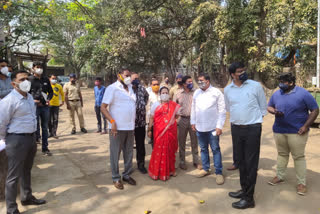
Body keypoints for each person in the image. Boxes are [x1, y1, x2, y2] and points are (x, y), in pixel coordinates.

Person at [0, 70, 46, 214]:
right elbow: (1, 123)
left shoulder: (30, 97)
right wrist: (5, 139)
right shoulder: (8, 101)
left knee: (27, 170)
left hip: (31, 138)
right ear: (14, 84)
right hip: (16, 139)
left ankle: (27, 197)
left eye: (27, 78)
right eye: (21, 79)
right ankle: (11, 209)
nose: (26, 82)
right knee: (13, 176)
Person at [267, 72, 319, 196]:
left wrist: (306, 126)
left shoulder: (303, 93)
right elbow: (269, 106)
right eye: (279, 82)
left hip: (297, 132)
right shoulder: (277, 93)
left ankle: (301, 183)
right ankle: (280, 176)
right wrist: (274, 111)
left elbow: (315, 110)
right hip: (279, 130)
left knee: (298, 157)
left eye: (283, 82)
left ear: (291, 83)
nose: (280, 85)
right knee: (282, 154)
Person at [224, 62, 267, 209]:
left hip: (252, 129)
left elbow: (263, 107)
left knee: (251, 163)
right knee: (240, 161)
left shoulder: (255, 86)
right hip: (236, 129)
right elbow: (230, 108)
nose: (242, 73)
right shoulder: (227, 90)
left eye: (243, 70)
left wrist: (252, 122)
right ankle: (244, 190)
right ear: (232, 75)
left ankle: (249, 199)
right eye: (239, 71)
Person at [101, 69, 137, 190]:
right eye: (126, 75)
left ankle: (126, 175)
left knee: (129, 153)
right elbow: (103, 107)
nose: (128, 78)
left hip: (130, 127)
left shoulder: (130, 87)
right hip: (117, 128)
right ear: (119, 76)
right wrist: (112, 121)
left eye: (129, 76)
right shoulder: (112, 88)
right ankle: (116, 177)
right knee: (115, 154)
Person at [190, 73, 226, 185]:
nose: (199, 82)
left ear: (208, 81)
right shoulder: (196, 93)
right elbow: (193, 108)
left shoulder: (216, 93)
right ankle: (206, 169)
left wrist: (219, 126)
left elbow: (222, 110)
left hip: (213, 128)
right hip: (200, 127)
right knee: (203, 149)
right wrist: (193, 122)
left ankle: (219, 173)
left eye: (201, 80)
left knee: (215, 149)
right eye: (198, 80)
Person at [148, 86, 180, 181]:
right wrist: (149, 129)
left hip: (171, 132)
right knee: (158, 151)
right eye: (163, 93)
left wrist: (169, 122)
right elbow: (151, 118)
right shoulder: (155, 105)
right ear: (160, 94)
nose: (165, 94)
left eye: (166, 93)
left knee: (170, 151)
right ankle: (157, 172)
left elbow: (177, 116)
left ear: (169, 94)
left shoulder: (173, 105)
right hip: (159, 132)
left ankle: (171, 170)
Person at [175, 75, 201, 170]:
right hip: (182, 120)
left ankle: (196, 161)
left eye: (191, 81)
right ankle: (182, 161)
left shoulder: (196, 92)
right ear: (184, 84)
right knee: (181, 141)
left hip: (194, 120)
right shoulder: (178, 93)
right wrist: (176, 120)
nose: (191, 83)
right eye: (189, 82)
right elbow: (174, 107)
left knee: (194, 141)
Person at [29, 62, 53, 156]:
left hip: (45, 107)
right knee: (34, 127)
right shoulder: (29, 79)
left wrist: (48, 99)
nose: (39, 69)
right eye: (37, 67)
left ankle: (45, 148)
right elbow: (26, 92)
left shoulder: (45, 79)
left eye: (41, 67)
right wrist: (33, 100)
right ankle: (33, 149)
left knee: (45, 128)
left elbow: (50, 92)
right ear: (33, 68)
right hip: (34, 107)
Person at [131, 72, 149, 174]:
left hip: (141, 122)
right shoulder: (127, 89)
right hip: (129, 123)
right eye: (134, 79)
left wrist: (141, 107)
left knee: (140, 144)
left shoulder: (142, 88)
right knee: (128, 145)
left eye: (137, 78)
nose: (136, 80)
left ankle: (141, 164)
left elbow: (146, 97)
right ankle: (128, 165)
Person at [48, 74, 65, 139]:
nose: (54, 80)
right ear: (50, 78)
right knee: (48, 119)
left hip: (56, 105)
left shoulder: (59, 86)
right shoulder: (47, 86)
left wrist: (62, 101)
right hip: (48, 105)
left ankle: (54, 132)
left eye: (55, 78)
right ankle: (50, 132)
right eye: (52, 78)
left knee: (55, 119)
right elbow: (43, 94)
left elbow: (62, 94)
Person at [146, 78, 161, 147]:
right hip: (152, 122)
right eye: (154, 84)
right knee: (154, 142)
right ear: (151, 86)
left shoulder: (162, 95)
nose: (156, 86)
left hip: (161, 122)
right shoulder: (148, 96)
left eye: (157, 84)